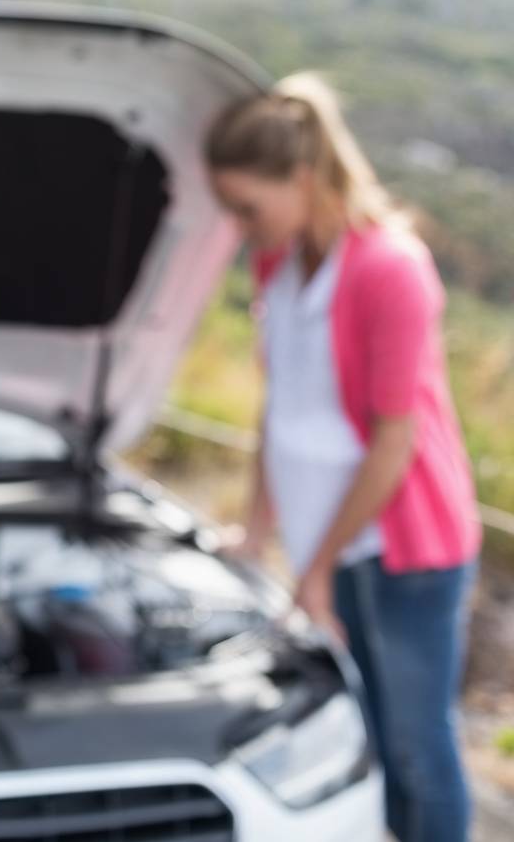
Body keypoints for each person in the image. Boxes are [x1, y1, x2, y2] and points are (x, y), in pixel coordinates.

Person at [204, 71, 482, 842]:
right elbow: (281, 405)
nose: (238, 223)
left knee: (417, 748)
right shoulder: (277, 261)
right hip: (336, 549)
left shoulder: (390, 269)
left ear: (301, 177)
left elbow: (397, 439)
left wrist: (317, 566)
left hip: (403, 557)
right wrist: (257, 532)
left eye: (246, 206)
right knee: (365, 730)